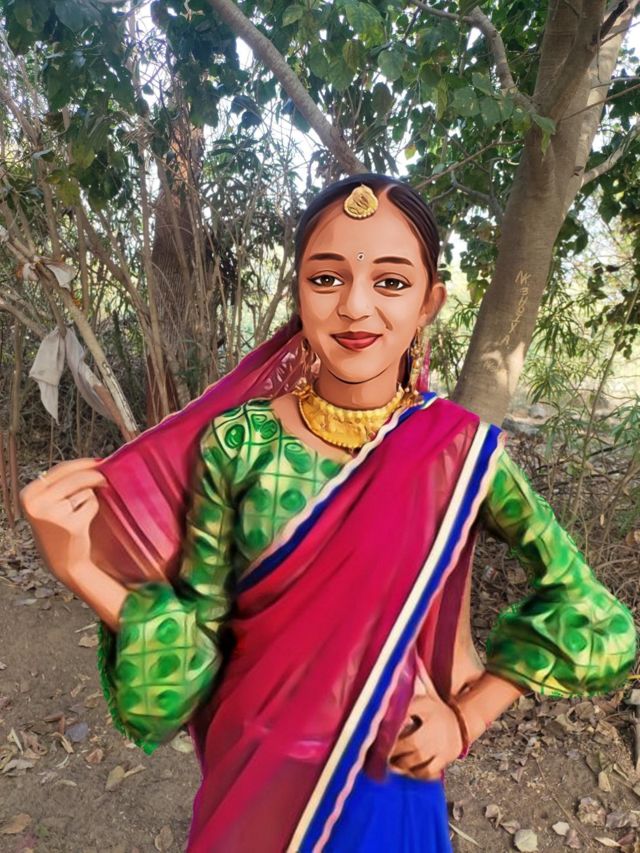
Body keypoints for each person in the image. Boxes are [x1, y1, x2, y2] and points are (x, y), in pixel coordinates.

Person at [20, 174, 636, 852]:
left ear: (430, 303)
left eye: (391, 282)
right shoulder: (241, 442)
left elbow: (592, 612)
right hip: (251, 773)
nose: (355, 306)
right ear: (298, 294)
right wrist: (80, 567)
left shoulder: (459, 453)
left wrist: (467, 717)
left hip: (385, 777)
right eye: (326, 278)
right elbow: (195, 651)